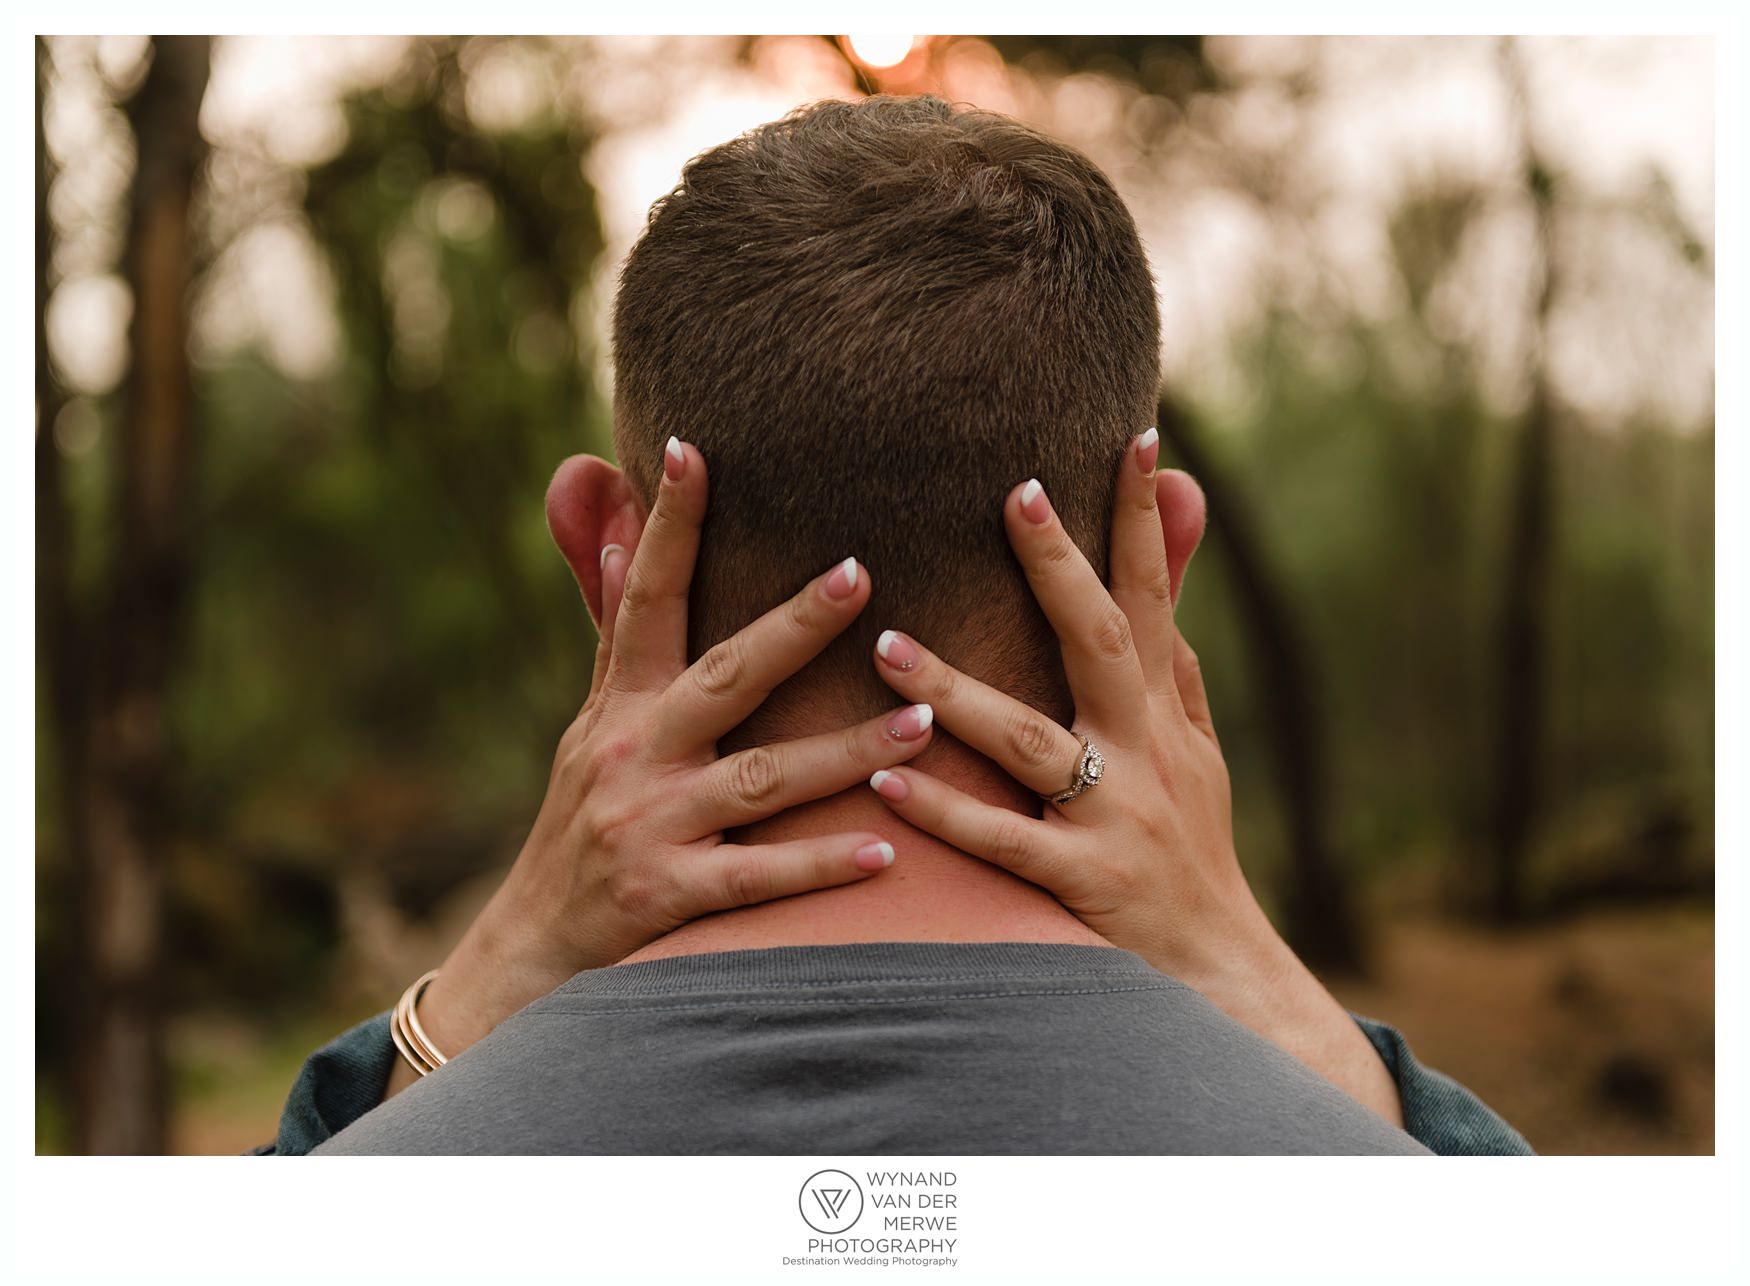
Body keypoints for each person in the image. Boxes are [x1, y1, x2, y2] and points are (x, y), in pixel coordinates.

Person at [260, 95, 1529, 1155]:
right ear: (1160, 556)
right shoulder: (1378, 1190)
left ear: (607, 547)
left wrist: (488, 976)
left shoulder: (373, 1189)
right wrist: (1268, 991)